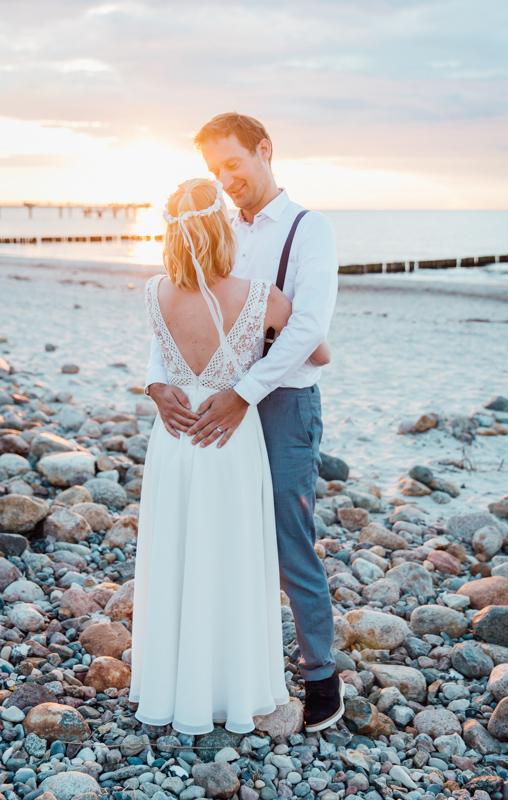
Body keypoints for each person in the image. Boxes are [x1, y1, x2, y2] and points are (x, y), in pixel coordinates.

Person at [144, 113, 343, 732]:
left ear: (264, 151)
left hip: (280, 406)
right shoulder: (213, 227)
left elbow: (309, 328)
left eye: (233, 163)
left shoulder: (309, 230)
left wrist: (243, 391)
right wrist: (157, 386)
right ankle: (218, 669)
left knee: (285, 540)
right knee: (215, 536)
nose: (225, 178)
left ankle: (321, 677)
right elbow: (174, 316)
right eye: (214, 170)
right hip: (211, 406)